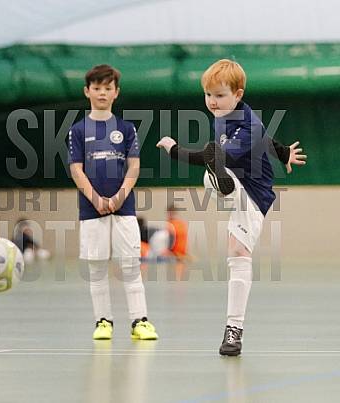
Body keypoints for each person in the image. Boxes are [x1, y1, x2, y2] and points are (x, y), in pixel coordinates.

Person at [157, 59, 306, 356]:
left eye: (219, 95)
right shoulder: (226, 114)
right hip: (232, 182)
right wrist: (283, 152)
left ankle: (234, 330)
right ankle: (222, 184)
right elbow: (266, 138)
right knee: (213, 177)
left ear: (238, 94)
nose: (212, 102)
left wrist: (174, 149)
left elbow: (212, 154)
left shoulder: (248, 126)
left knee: (237, 251)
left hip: (254, 196)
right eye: (208, 95)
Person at [68, 64, 158, 340]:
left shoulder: (126, 129)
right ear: (87, 91)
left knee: (130, 264)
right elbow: (76, 169)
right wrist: (96, 199)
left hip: (124, 208)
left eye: (108, 88)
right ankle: (103, 322)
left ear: (116, 92)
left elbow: (134, 166)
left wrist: (119, 197)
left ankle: (140, 321)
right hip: (91, 209)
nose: (102, 93)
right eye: (97, 88)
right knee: (97, 267)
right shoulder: (78, 130)